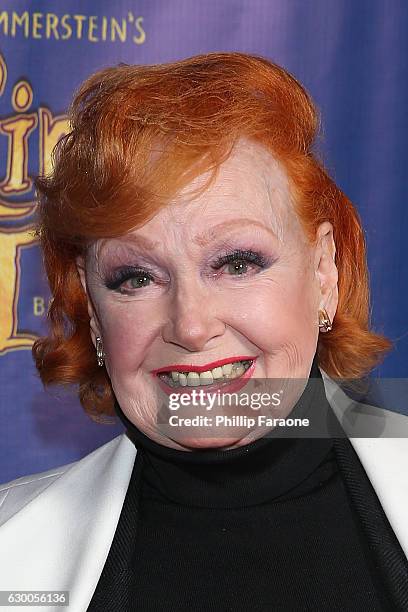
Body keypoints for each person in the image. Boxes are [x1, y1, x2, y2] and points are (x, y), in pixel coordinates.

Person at [0, 51, 407, 612]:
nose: (190, 326)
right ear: (93, 311)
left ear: (324, 273)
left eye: (237, 263)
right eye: (137, 277)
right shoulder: (10, 551)